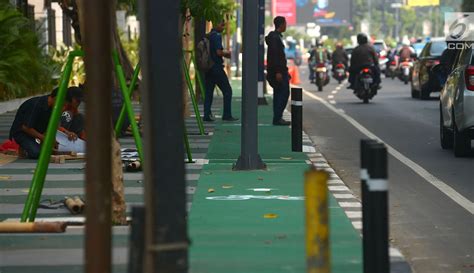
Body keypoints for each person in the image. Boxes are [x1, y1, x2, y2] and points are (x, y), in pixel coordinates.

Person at [203, 20, 238, 122]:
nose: (223, 27)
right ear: (216, 24)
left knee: (209, 92)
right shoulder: (217, 36)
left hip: (208, 68)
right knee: (227, 91)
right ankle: (227, 115)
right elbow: (218, 52)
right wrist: (227, 54)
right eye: (222, 25)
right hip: (217, 68)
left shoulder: (208, 35)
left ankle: (206, 115)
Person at [9, 89, 58, 159]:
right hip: (21, 133)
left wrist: (52, 139)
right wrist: (45, 138)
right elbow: (25, 127)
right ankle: (24, 147)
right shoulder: (36, 104)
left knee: (50, 151)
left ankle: (29, 146)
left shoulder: (51, 107)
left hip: (34, 134)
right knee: (37, 153)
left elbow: (48, 127)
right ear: (56, 98)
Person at [265, 16, 291, 126]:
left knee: (278, 94)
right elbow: (276, 56)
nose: (286, 25)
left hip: (278, 70)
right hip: (278, 71)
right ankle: (277, 117)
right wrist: (278, 72)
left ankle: (277, 118)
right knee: (284, 93)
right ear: (281, 25)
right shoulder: (275, 38)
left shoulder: (275, 37)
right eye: (285, 23)